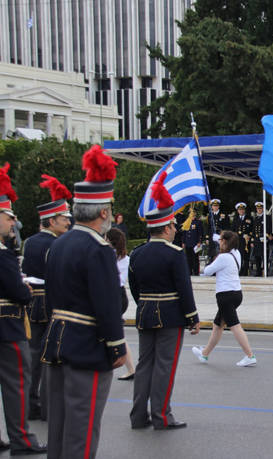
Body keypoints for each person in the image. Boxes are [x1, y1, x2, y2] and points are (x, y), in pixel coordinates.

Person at [42, 146, 126, 458]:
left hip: (59, 340)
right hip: (89, 347)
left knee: (60, 428)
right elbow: (108, 305)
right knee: (83, 429)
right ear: (103, 212)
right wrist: (116, 346)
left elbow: (53, 298)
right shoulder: (99, 249)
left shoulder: (59, 245)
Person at [128, 172, 200, 430]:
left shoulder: (136, 254)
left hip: (145, 311)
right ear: (168, 227)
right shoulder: (175, 253)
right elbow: (184, 288)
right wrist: (192, 317)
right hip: (170, 315)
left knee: (144, 363)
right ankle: (161, 416)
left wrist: (144, 304)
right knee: (164, 367)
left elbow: (134, 287)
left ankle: (138, 416)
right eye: (173, 227)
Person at [0, 164, 47, 455]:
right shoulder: (3, 254)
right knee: (16, 384)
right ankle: (22, 440)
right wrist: (25, 292)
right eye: (9, 216)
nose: (13, 221)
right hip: (7, 324)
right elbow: (18, 292)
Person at [21, 173, 73, 421]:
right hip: (50, 301)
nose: (67, 223)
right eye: (64, 219)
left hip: (32, 302)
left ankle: (31, 403)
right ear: (51, 221)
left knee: (33, 355)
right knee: (49, 355)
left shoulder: (30, 241)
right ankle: (46, 405)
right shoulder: (56, 244)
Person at [192, 230, 256, 366]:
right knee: (217, 325)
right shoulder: (236, 253)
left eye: (221, 240)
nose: (219, 242)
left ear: (225, 242)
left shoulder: (223, 258)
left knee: (235, 326)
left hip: (225, 296)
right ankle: (204, 354)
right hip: (236, 293)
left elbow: (207, 271)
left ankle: (250, 355)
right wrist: (219, 242)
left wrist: (215, 258)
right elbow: (218, 238)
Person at [106, 228, 136, 381]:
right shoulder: (126, 257)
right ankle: (130, 368)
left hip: (111, 295)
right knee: (116, 333)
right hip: (120, 294)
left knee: (113, 334)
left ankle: (123, 366)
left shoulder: (108, 255)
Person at [249, 202, 272, 276]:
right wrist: (252, 239)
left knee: (265, 256)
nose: (259, 210)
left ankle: (265, 271)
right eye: (258, 209)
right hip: (256, 240)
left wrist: (268, 236)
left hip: (264, 239)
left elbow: (269, 228)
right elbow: (253, 229)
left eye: (260, 208)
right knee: (257, 257)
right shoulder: (255, 218)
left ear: (263, 209)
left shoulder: (267, 217)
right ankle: (258, 272)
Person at [182, 205, 204, 275]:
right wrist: (183, 242)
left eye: (193, 212)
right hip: (188, 243)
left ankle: (196, 272)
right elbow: (184, 233)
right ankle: (189, 272)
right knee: (188, 258)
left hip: (195, 243)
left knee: (195, 259)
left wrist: (199, 241)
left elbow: (200, 233)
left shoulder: (198, 222)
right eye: (190, 212)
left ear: (195, 213)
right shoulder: (187, 222)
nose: (191, 213)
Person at [232, 202, 252, 276]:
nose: (241, 211)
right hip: (238, 241)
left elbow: (252, 229)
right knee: (238, 257)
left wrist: (249, 235)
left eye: (243, 209)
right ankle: (239, 271)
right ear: (238, 211)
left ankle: (245, 272)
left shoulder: (249, 218)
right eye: (240, 210)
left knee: (246, 257)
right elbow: (233, 230)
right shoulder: (235, 219)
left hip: (246, 241)